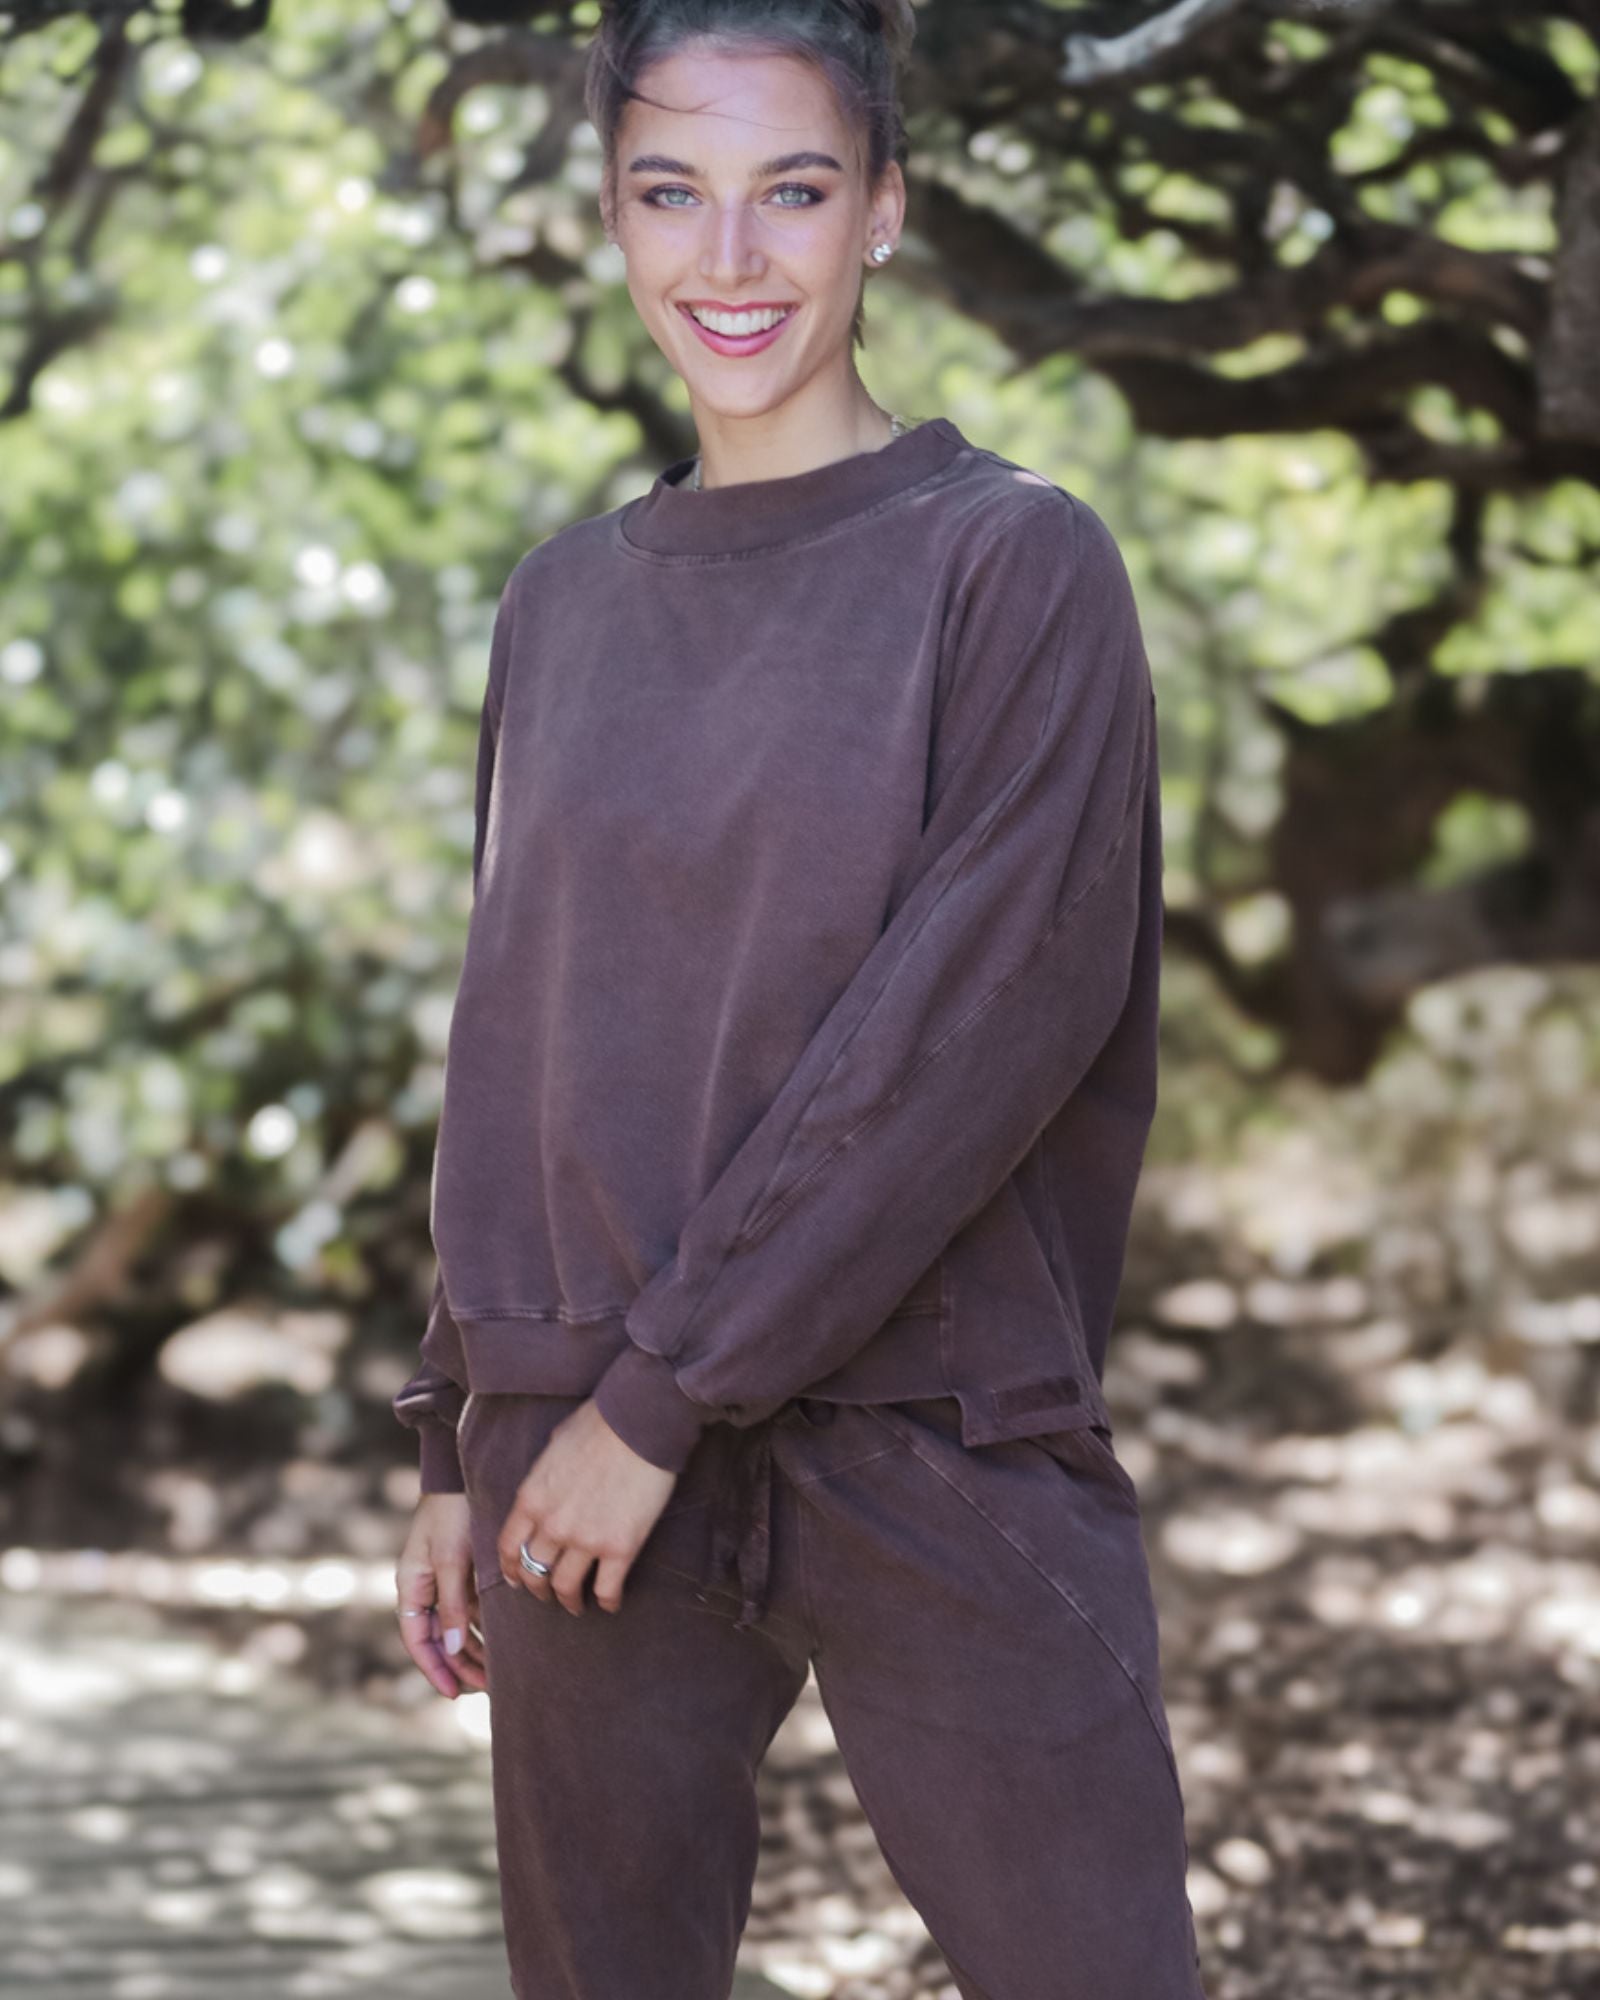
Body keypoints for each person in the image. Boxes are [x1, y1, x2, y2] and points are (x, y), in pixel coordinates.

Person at [391, 3, 1207, 1995]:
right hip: (570, 1428)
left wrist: (664, 1396)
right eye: (670, 193)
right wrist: (448, 1431)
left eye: (792, 192)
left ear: (885, 215)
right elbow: (520, 1025)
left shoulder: (1007, 565)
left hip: (925, 1420)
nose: (728, 259)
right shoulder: (561, 602)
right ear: (607, 218)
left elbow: (972, 1029)